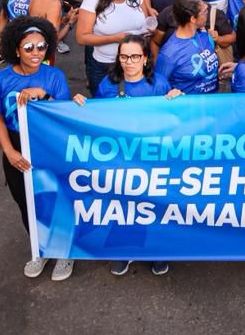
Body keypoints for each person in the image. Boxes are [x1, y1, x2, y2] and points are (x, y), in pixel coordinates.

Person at [72, 33, 180, 277]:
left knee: (154, 205)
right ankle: (124, 251)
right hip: (120, 158)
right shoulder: (108, 85)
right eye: (124, 56)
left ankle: (156, 252)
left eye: (134, 56)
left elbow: (173, 121)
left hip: (152, 158)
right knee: (123, 204)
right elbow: (95, 116)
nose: (129, 61)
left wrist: (177, 101)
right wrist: (78, 105)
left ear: (145, 59)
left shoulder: (159, 85)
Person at [0, 15, 74, 281]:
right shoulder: (2, 80)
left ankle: (64, 253)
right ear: (15, 49)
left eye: (42, 46)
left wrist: (42, 95)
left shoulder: (54, 76)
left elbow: (66, 114)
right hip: (16, 144)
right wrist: (9, 152)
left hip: (48, 145)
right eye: (29, 48)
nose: (37, 53)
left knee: (54, 199)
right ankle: (40, 249)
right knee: (25, 202)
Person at [76, 0, 148, 97]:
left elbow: (144, 19)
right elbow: (82, 37)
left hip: (134, 63)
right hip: (106, 64)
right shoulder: (92, 0)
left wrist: (148, 29)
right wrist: (114, 38)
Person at [153, 0, 221, 94]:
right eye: (205, 11)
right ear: (193, 19)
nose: (208, 13)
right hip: (190, 107)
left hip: (213, 100)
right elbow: (158, 88)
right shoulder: (169, 54)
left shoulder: (204, 34)